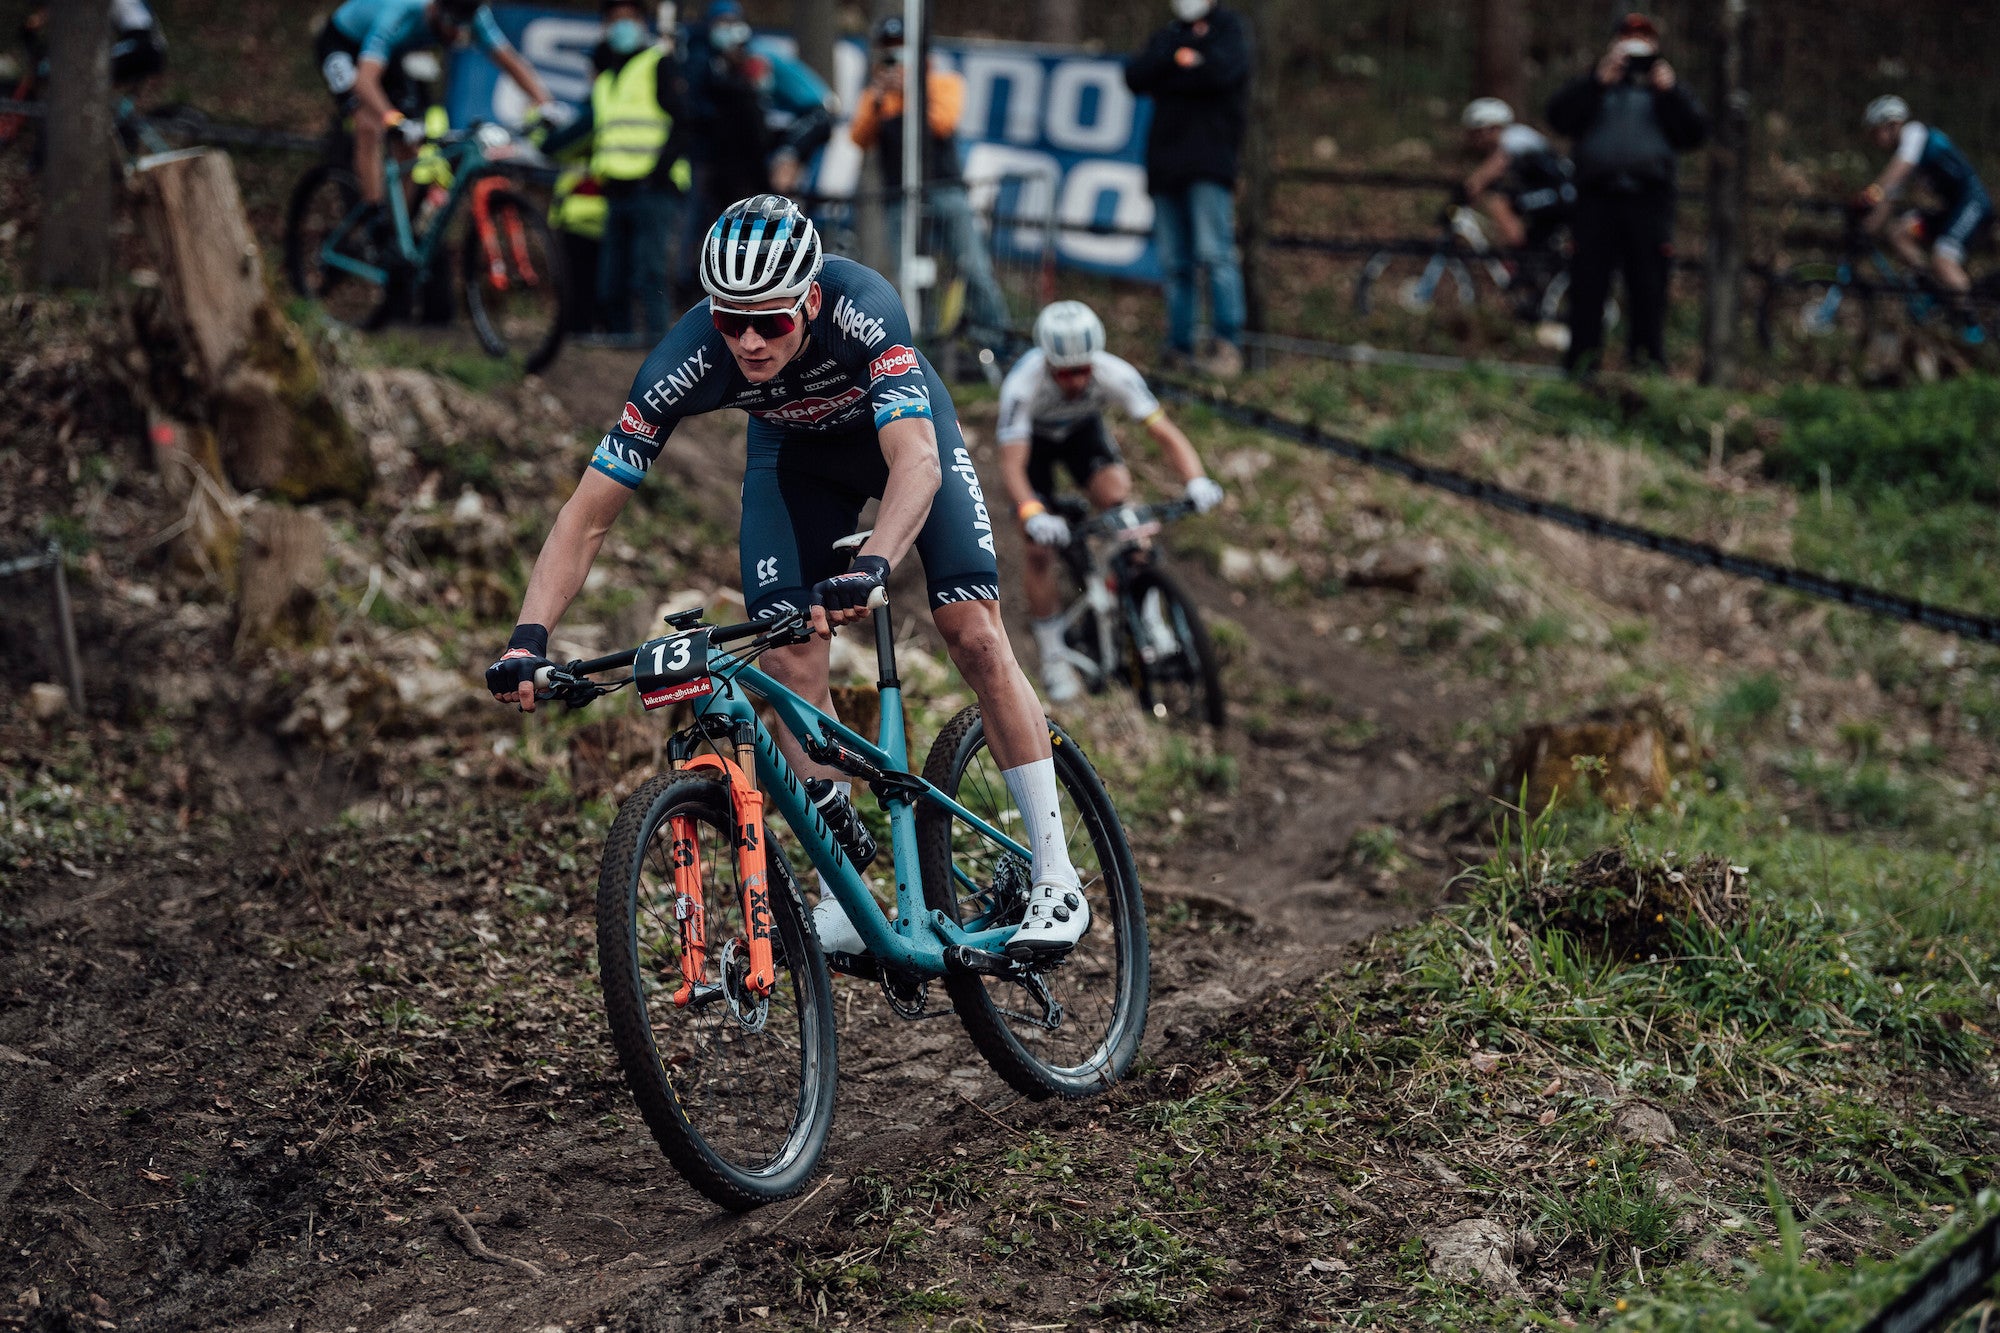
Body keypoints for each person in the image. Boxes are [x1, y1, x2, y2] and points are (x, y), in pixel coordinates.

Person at [484, 196, 1092, 960]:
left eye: (769, 321)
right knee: (785, 650)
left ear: (809, 299)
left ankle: (1056, 873)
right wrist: (527, 637)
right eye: (730, 319)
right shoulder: (689, 356)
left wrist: (874, 563)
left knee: (970, 628)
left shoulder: (864, 309)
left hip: (899, 439)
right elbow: (588, 513)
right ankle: (847, 885)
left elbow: (917, 462)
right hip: (794, 460)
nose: (747, 340)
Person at [996, 302, 1224, 703]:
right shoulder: (1022, 386)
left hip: (1084, 435)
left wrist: (1196, 479)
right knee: (1037, 549)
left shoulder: (1114, 373)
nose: (1077, 379)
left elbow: (1164, 432)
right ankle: (1053, 657)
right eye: (1066, 372)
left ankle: (1150, 614)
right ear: (1048, 362)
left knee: (1120, 503)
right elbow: (1013, 466)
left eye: (1084, 369)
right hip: (1035, 447)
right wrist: (1032, 513)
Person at [1545, 12, 1706, 374]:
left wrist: (1671, 91)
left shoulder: (1665, 89)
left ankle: (1646, 368)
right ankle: (1581, 368)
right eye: (1628, 38)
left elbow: (1695, 134)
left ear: (1656, 46)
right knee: (1587, 285)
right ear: (1614, 43)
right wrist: (1596, 82)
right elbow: (1558, 117)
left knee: (1648, 288)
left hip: (1649, 202)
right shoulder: (1596, 83)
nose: (1635, 47)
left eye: (1643, 39)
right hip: (1595, 200)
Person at [848, 16, 1009, 343]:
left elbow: (943, 122)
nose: (896, 58)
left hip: (945, 188)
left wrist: (911, 89)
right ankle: (926, 344)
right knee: (913, 276)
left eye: (902, 49)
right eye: (889, 51)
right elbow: (859, 137)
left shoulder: (942, 83)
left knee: (972, 267)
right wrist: (880, 100)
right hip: (899, 195)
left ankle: (998, 339)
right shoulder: (877, 94)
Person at [317, 0, 560, 210]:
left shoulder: (473, 14)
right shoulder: (402, 10)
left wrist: (545, 102)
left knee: (409, 147)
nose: (457, 35)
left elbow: (510, 61)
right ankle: (372, 211)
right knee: (368, 124)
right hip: (343, 44)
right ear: (435, 9)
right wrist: (392, 119)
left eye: (463, 28)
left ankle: (394, 231)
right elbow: (365, 80)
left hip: (389, 56)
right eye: (452, 25)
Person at [543, 0, 689, 343]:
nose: (622, 27)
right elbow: (590, 129)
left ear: (642, 23)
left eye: (629, 19)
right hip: (618, 189)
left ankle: (658, 343)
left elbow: (683, 122)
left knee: (651, 273)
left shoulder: (657, 64)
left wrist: (659, 171)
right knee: (613, 279)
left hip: (654, 188)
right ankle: (621, 343)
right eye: (614, 20)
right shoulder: (607, 79)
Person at [1124, 0, 1252, 380]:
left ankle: (1226, 345)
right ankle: (1178, 348)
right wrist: (1178, 58)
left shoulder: (1230, 29)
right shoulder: (1169, 35)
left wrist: (1177, 71)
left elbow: (1220, 73)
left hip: (1210, 164)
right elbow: (1135, 75)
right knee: (1175, 264)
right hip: (1165, 167)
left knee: (1215, 255)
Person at [1858, 95, 1993, 341]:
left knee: (1944, 258)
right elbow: (1889, 199)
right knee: (1899, 233)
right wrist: (1866, 229)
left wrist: (1869, 194)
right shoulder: (1906, 153)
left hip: (1973, 204)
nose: (1875, 140)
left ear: (1892, 124)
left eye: (1876, 132)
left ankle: (1974, 328)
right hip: (1951, 209)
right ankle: (1932, 289)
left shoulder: (1915, 134)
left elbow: (1895, 175)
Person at [675, 1, 772, 300]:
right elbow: (692, 107)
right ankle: (690, 285)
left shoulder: (747, 65)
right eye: (723, 23)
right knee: (696, 225)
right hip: (704, 159)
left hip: (735, 166)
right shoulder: (698, 61)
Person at [1459, 98, 1573, 253]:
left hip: (1563, 192)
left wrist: (1462, 195)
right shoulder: (1513, 138)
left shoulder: (1513, 136)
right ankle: (1527, 257)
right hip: (1554, 190)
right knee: (1509, 206)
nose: (1475, 139)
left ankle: (1520, 256)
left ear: (1491, 128)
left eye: (1476, 133)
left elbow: (1489, 172)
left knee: (1500, 204)